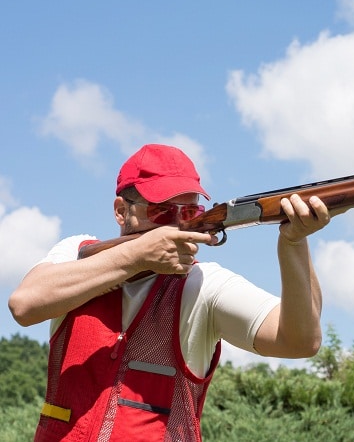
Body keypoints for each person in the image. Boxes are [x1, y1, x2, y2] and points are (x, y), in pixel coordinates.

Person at [8, 143, 332, 441]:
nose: (177, 225)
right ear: (121, 210)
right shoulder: (76, 252)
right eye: (162, 211)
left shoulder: (205, 284)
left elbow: (299, 342)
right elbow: (24, 305)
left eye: (188, 213)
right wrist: (136, 256)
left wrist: (294, 243)